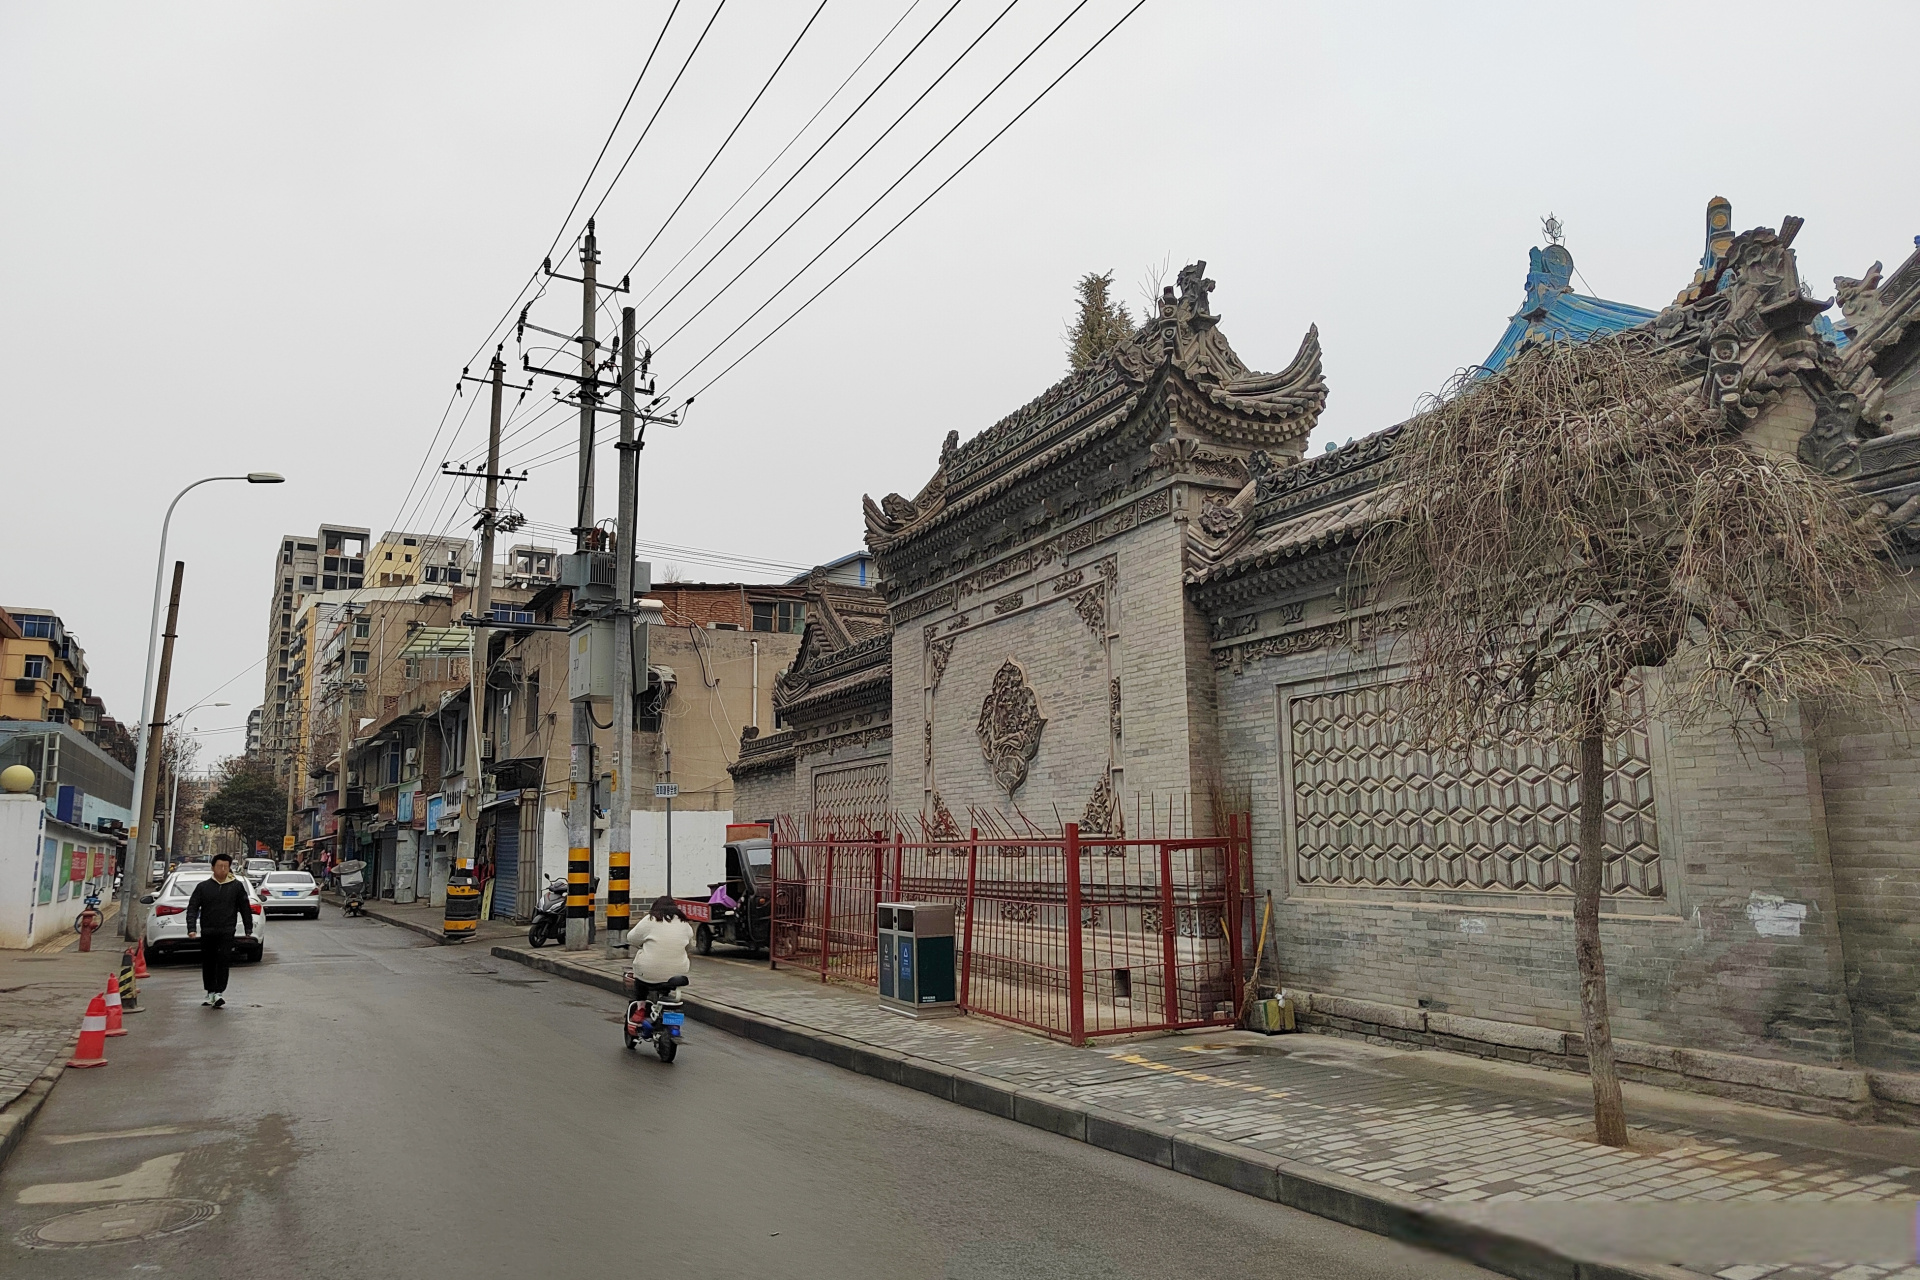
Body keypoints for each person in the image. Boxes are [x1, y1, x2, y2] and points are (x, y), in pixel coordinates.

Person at [185, 852, 254, 1008]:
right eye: (219, 866)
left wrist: (248, 927)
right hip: (208, 930)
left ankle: (219, 992)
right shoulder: (203, 887)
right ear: (213, 868)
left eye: (226, 867)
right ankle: (210, 991)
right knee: (209, 961)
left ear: (229, 868)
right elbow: (193, 908)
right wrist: (191, 928)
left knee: (223, 960)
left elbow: (245, 907)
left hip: (227, 930)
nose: (222, 869)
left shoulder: (236, 886)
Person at [628, 895, 694, 997]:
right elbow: (689, 945)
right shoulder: (684, 923)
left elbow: (632, 939)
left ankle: (641, 1006)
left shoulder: (650, 919)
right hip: (678, 973)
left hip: (649, 972)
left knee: (640, 983)